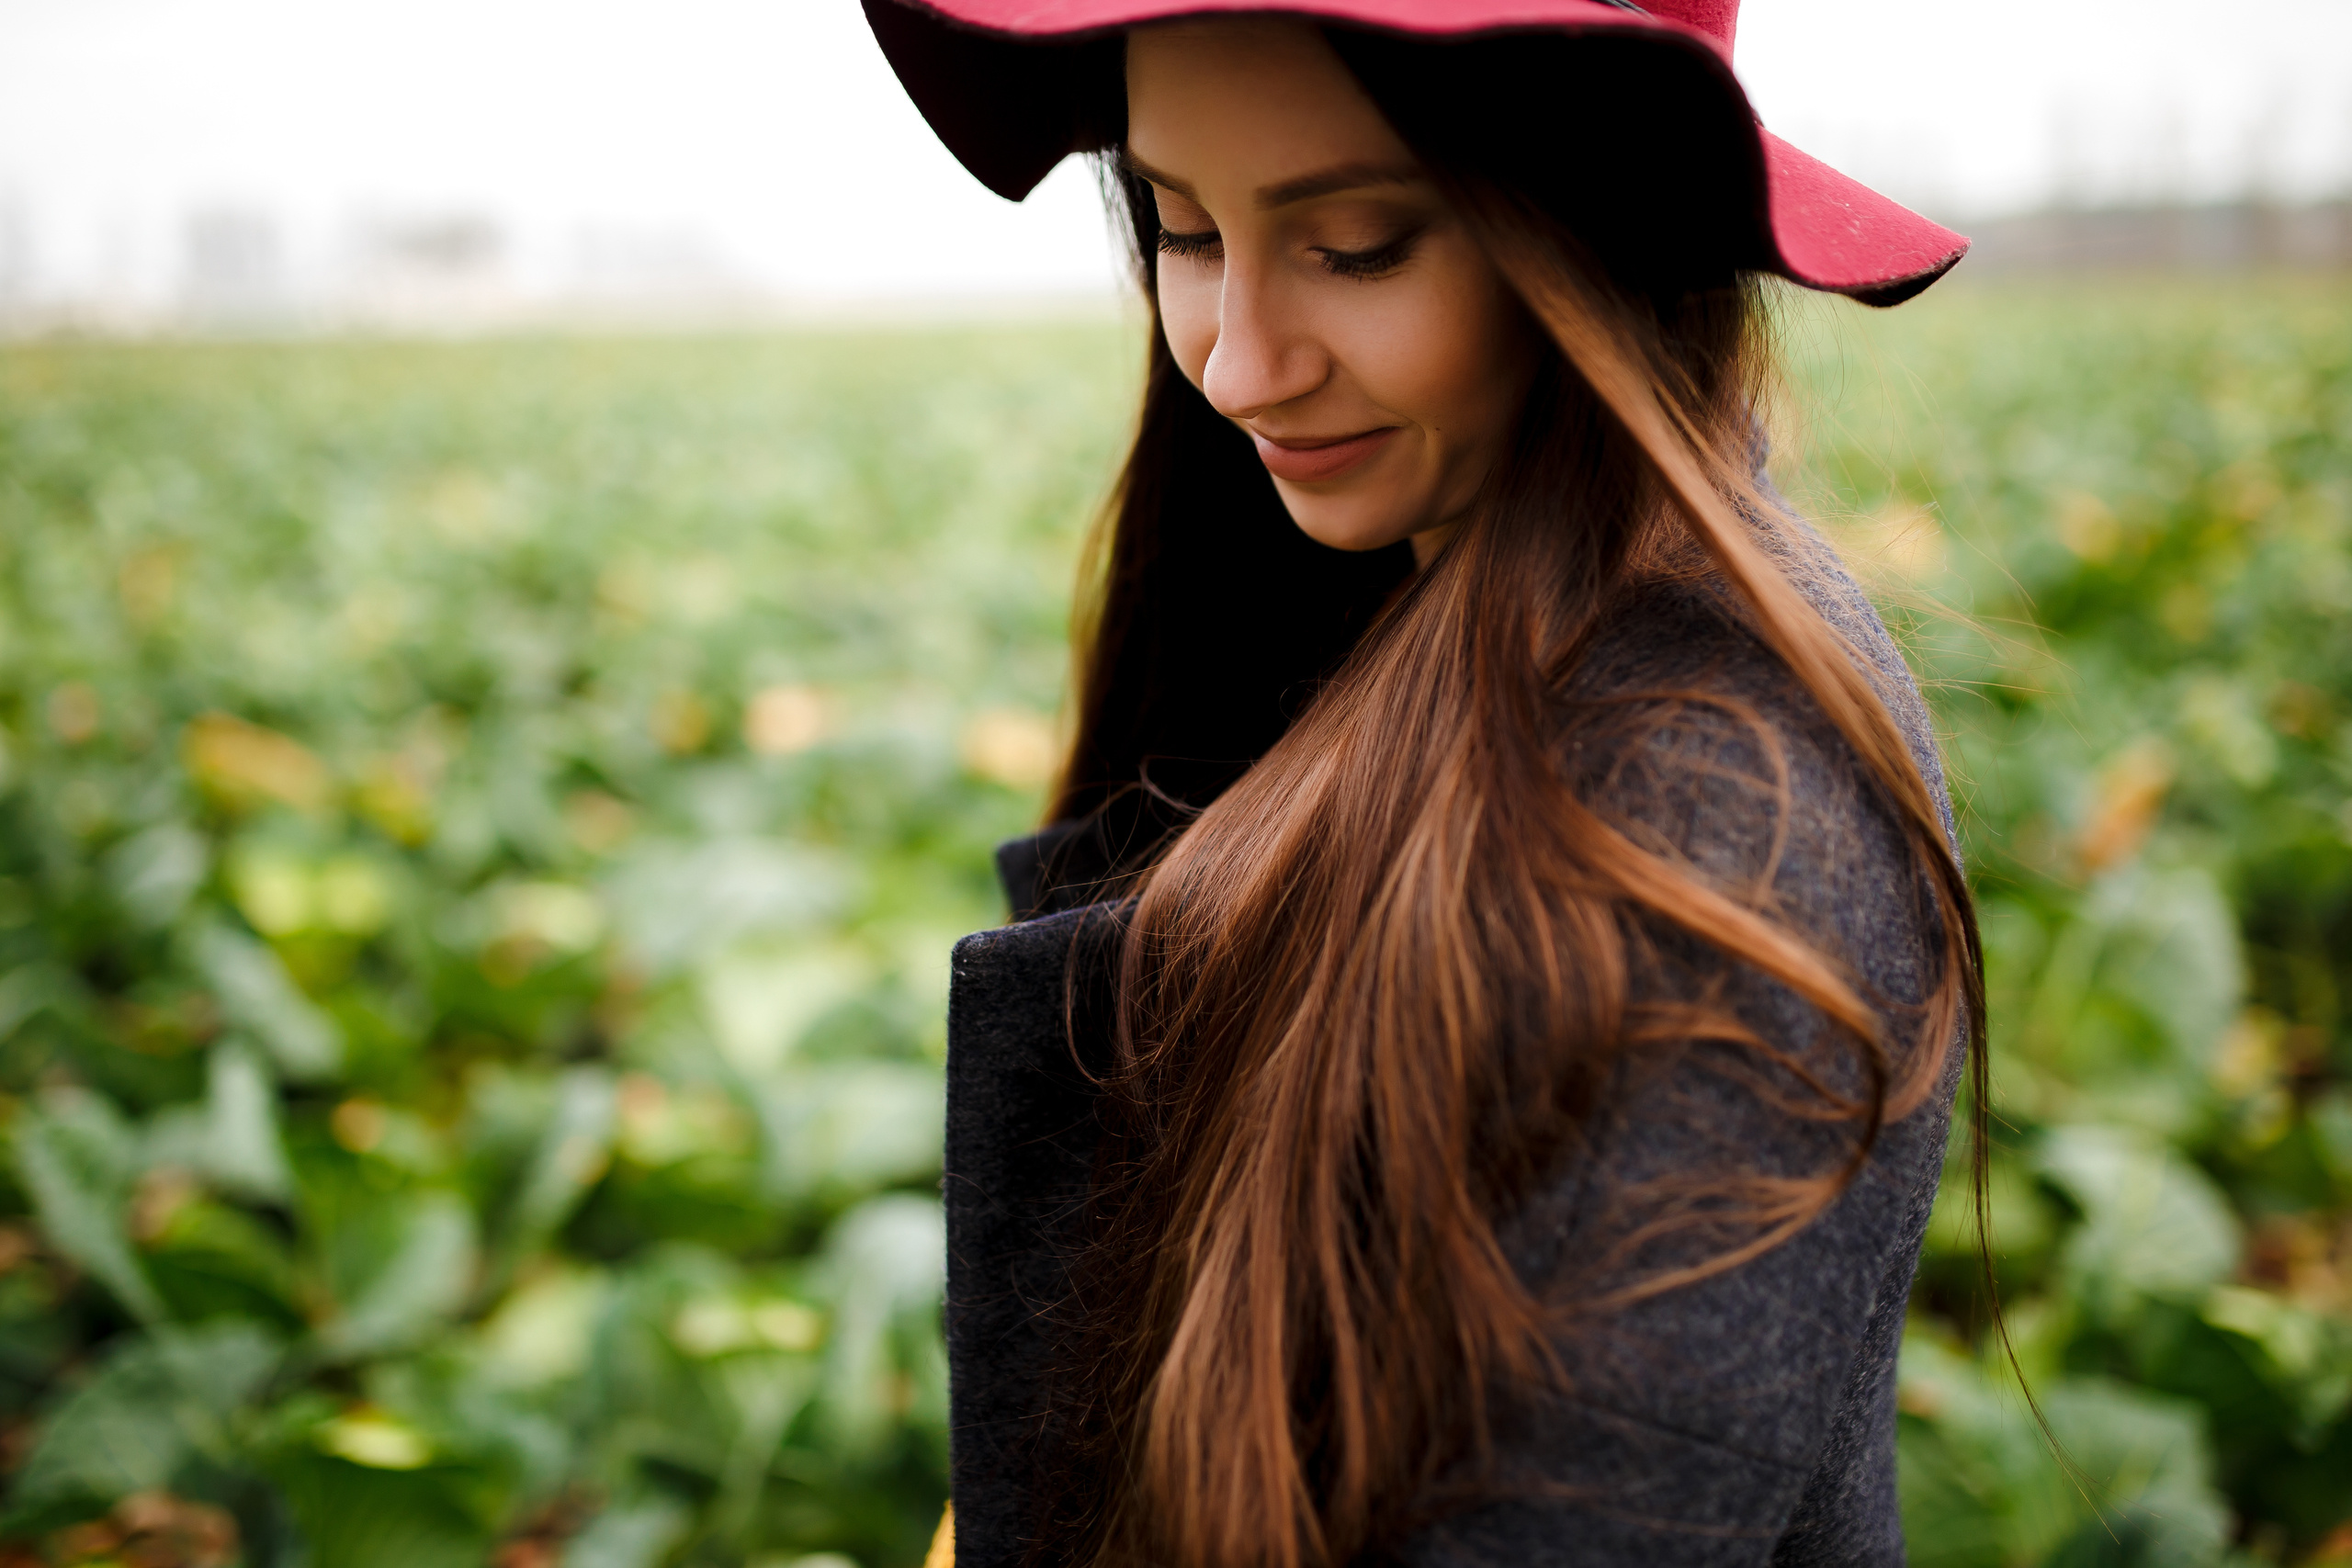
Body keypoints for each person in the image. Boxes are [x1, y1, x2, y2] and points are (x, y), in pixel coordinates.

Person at [864, 3, 1984, 1564]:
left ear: (1595, 225)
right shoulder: (1375, 596)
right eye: (1181, 228)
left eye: (1363, 246)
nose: (1239, 367)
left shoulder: (1721, 835)